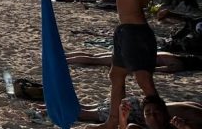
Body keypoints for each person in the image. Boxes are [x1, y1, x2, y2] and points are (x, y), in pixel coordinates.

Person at [44, 0, 159, 129]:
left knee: (144, 82)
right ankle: (112, 123)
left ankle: (162, 125)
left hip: (136, 33)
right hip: (125, 32)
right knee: (116, 76)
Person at [67, 50, 202, 75]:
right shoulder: (179, 64)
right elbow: (160, 70)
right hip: (135, 59)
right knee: (94, 60)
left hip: (135, 52)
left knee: (94, 56)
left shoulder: (172, 55)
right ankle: (67, 60)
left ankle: (65, 56)